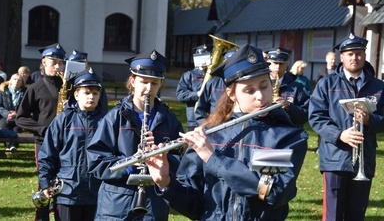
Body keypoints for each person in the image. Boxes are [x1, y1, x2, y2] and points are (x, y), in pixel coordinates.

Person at [145, 44, 308, 220]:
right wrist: (165, 183)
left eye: (264, 86)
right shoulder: (209, 135)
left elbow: (272, 192)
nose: (260, 96)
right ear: (231, 94)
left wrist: (214, 159)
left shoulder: (285, 136)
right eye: (249, 90)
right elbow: (195, 206)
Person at [86, 50, 183, 221]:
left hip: (154, 203)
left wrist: (163, 160)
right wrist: (131, 163)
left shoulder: (169, 120)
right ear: (133, 81)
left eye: (154, 83)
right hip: (117, 204)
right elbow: (96, 162)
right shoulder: (115, 117)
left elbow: (181, 161)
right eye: (144, 81)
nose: (149, 88)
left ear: (161, 84)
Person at [308, 33, 384, 221]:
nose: (354, 57)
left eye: (358, 53)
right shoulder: (326, 83)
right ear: (341, 57)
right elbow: (316, 117)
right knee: (332, 213)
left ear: (364, 55)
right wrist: (339, 135)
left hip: (364, 159)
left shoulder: (379, 86)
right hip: (335, 156)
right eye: (349, 54)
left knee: (356, 214)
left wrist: (369, 121)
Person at [38, 70, 106, 221]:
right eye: (87, 92)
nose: (91, 97)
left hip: (97, 192)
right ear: (76, 95)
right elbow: (48, 155)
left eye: (95, 93)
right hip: (67, 192)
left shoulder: (106, 122)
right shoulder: (62, 120)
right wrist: (45, 183)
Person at [16, 43, 66, 221]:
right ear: (44, 62)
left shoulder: (69, 86)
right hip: (43, 142)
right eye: (54, 63)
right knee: (45, 183)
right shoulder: (35, 87)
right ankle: (42, 217)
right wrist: (43, 129)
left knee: (64, 182)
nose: (58, 67)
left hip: (66, 143)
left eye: (61, 63)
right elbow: (20, 117)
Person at [266, 48, 310, 127]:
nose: (278, 67)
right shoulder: (259, 85)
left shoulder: (298, 87)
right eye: (275, 63)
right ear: (268, 63)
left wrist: (289, 106)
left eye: (281, 64)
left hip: (289, 133)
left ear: (287, 65)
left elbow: (305, 115)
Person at [194, 50, 235, 125]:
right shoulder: (212, 83)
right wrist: (206, 126)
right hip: (213, 128)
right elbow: (200, 110)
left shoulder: (242, 84)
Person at [176, 45, 209, 131]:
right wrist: (197, 94)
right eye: (201, 57)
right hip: (193, 120)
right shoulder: (188, 75)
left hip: (210, 119)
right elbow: (180, 95)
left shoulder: (213, 75)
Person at [66, 50, 108, 114]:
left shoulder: (95, 83)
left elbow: (103, 108)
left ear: (88, 66)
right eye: (74, 65)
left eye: (81, 64)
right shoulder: (64, 83)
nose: (78, 68)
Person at [0, 73, 26, 151]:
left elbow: (27, 107)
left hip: (18, 117)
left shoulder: (25, 92)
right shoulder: (3, 91)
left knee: (16, 128)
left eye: (19, 80)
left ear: (22, 83)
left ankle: (10, 147)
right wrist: (7, 114)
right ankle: (11, 146)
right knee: (4, 125)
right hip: (5, 117)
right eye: (14, 79)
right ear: (10, 81)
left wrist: (16, 114)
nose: (16, 81)